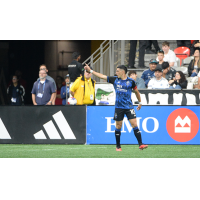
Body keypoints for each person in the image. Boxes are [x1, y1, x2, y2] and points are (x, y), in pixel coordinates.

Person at [84, 63, 148, 151]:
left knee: (135, 124)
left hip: (129, 106)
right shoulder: (115, 79)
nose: (116, 72)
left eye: (117, 71)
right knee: (118, 126)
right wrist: (90, 70)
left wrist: (140, 102)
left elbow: (136, 92)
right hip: (119, 107)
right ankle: (118, 146)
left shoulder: (131, 81)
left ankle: (141, 144)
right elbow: (102, 76)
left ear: (123, 72)